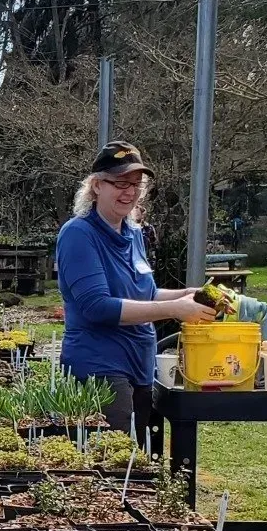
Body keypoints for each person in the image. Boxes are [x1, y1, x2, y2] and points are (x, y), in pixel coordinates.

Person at [54, 141, 216, 441]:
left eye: (136, 184)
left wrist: (187, 295)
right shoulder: (79, 234)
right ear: (96, 186)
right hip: (99, 370)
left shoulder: (133, 234)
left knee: (134, 463)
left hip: (140, 366)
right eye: (119, 183)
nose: (129, 191)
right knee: (112, 467)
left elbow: (146, 294)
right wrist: (175, 310)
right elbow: (97, 306)